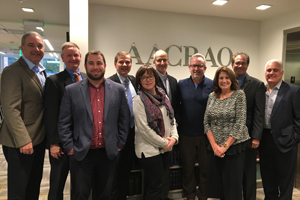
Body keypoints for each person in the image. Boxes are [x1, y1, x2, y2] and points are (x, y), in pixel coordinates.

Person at [58, 50, 130, 200]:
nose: (95, 67)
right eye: (91, 63)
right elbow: (64, 122)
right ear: (85, 65)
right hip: (81, 153)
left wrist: (119, 144)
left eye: (99, 63)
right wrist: (70, 148)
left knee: (105, 194)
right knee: (80, 194)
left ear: (105, 65)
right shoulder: (72, 90)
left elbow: (124, 119)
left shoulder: (118, 89)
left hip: (108, 153)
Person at [0, 31, 46, 200]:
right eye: (31, 45)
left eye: (40, 46)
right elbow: (10, 109)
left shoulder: (40, 71)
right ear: (21, 48)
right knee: (19, 189)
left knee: (33, 184)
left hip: (38, 139)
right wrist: (23, 140)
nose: (36, 49)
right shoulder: (13, 71)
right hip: (20, 142)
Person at [44, 42, 87, 200]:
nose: (73, 58)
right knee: (57, 183)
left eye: (76, 55)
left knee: (79, 184)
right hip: (61, 143)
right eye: (69, 55)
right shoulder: (54, 81)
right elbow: (50, 114)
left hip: (83, 142)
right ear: (62, 58)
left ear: (80, 57)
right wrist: (54, 142)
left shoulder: (88, 78)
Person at [204, 66, 250, 200]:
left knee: (232, 187)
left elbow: (240, 123)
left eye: (227, 77)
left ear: (232, 79)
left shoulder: (239, 95)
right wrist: (214, 147)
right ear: (217, 80)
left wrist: (224, 147)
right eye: (221, 78)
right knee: (217, 186)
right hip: (214, 148)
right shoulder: (212, 96)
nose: (224, 80)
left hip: (234, 147)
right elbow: (206, 122)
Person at [133, 65, 178, 200]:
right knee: (155, 186)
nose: (148, 80)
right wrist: (164, 142)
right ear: (139, 81)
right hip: (149, 150)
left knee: (162, 184)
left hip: (166, 147)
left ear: (155, 77)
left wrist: (174, 138)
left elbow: (172, 118)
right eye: (144, 77)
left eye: (150, 76)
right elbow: (144, 129)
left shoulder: (163, 95)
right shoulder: (139, 100)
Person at [259, 59, 300, 200]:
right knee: (268, 178)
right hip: (264, 141)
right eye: (269, 70)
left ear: (282, 73)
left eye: (275, 70)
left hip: (286, 143)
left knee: (285, 181)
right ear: (265, 73)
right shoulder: (260, 91)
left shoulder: (293, 91)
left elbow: (299, 118)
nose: (272, 73)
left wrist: (294, 138)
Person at [177, 53, 214, 200]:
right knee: (188, 168)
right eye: (193, 65)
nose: (196, 68)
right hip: (186, 134)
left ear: (205, 68)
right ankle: (190, 195)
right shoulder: (181, 84)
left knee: (206, 168)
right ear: (189, 67)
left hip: (206, 134)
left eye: (199, 66)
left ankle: (204, 194)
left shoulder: (213, 84)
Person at [231, 52, 265, 200]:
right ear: (232, 64)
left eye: (242, 63)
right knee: (232, 172)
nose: (239, 65)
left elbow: (259, 112)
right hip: (229, 137)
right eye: (237, 63)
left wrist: (256, 137)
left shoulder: (257, 85)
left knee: (248, 173)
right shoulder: (225, 82)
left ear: (247, 65)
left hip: (248, 137)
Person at [109, 51, 137, 200]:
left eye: (127, 62)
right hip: (116, 136)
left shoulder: (134, 81)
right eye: (121, 62)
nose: (124, 65)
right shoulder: (109, 83)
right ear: (115, 64)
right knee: (114, 173)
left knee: (126, 170)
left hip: (133, 134)